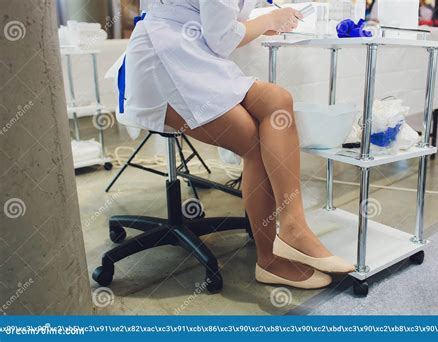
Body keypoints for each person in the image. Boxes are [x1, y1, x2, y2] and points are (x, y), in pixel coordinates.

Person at [124, 0, 355, 290]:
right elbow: (221, 38)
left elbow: (220, 21)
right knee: (257, 146)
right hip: (166, 62)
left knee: (277, 101)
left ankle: (293, 227)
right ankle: (270, 259)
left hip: (191, 55)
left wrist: (264, 22)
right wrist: (271, 18)